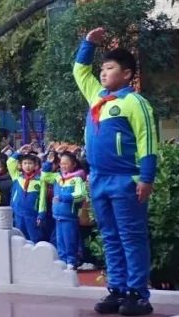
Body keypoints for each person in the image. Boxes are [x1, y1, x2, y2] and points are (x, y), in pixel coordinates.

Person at [74, 28, 158, 316]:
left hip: (126, 180)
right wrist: (88, 45)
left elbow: (148, 142)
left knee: (131, 235)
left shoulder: (134, 102)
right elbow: (79, 71)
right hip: (98, 179)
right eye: (103, 68)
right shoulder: (96, 97)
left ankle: (138, 294)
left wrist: (146, 177)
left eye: (110, 68)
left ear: (127, 75)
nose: (103, 73)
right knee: (109, 235)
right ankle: (118, 289)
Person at [43, 151, 87, 271]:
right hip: (57, 215)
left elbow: (80, 196)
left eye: (66, 163)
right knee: (60, 241)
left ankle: (71, 262)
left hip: (69, 216)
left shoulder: (77, 178)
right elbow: (44, 176)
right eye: (61, 163)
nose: (63, 166)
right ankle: (62, 261)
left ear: (73, 164)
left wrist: (63, 197)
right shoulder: (58, 177)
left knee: (70, 240)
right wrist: (48, 162)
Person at [5, 147, 48, 243]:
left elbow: (42, 200)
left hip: (32, 214)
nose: (27, 166)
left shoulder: (40, 180)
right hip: (18, 212)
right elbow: (10, 163)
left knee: (34, 239)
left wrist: (41, 215)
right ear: (21, 165)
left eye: (30, 163)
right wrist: (18, 152)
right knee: (19, 238)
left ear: (36, 165)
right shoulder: (17, 176)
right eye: (25, 163)